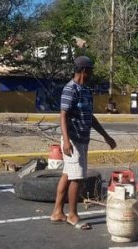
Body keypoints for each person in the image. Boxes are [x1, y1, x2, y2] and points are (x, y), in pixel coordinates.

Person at [50, 56, 117, 230]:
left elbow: (90, 117)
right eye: (91, 71)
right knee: (77, 178)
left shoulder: (86, 90)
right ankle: (72, 215)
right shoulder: (70, 89)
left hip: (83, 139)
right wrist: (66, 140)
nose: (92, 74)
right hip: (73, 140)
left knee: (67, 175)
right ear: (84, 71)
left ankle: (57, 212)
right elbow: (63, 114)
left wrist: (106, 136)